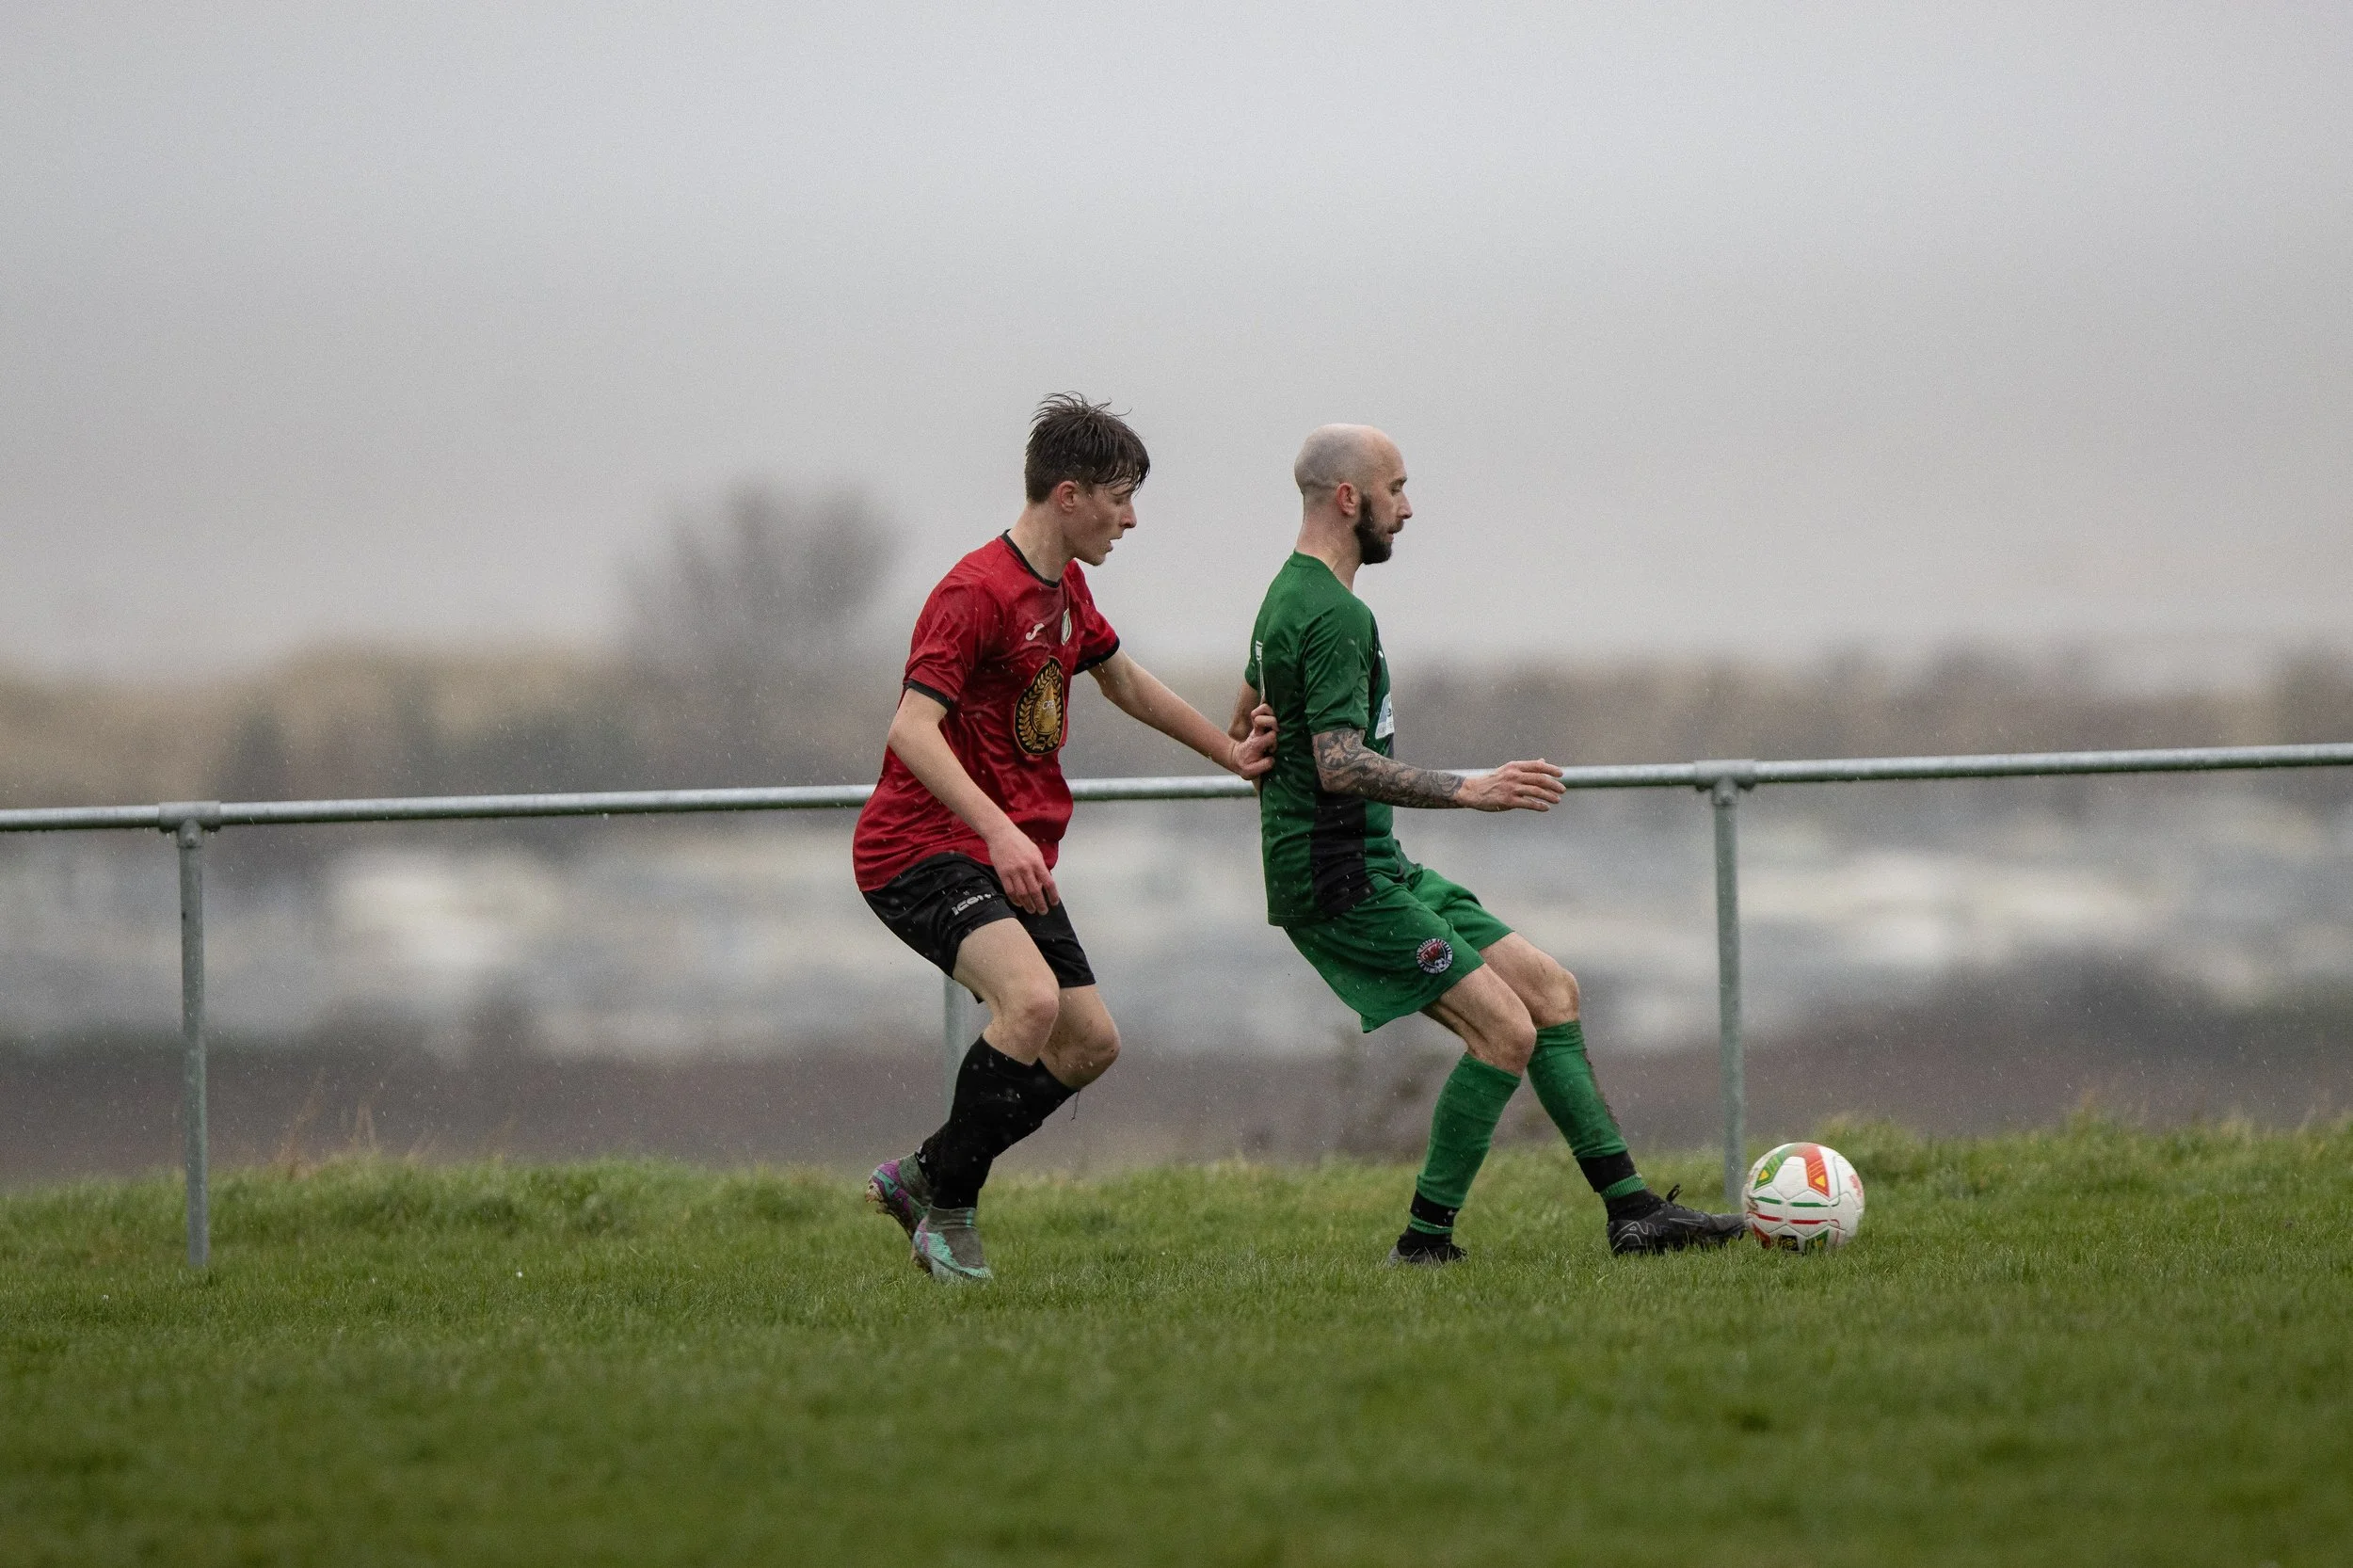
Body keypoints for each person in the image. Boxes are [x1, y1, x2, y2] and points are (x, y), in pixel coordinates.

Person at [1234, 424, 1742, 1263]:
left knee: (1550, 992)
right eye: (1396, 489)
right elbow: (1336, 764)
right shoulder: (1333, 614)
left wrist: (1251, 747)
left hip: (1379, 863)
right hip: (1338, 881)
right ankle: (1424, 1244)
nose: (1409, 508)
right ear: (1348, 499)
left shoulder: (1287, 593)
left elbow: (1245, 723)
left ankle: (1635, 1214)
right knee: (1505, 1034)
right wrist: (1467, 789)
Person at [856, 394, 1277, 1284]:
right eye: (1121, 498)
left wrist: (1231, 753)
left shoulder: (1065, 587)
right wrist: (1001, 831)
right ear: (1069, 494)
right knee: (1033, 1006)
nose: (1132, 518)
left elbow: (1122, 682)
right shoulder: (974, 593)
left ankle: (923, 1174)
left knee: (1089, 1044)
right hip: (918, 849)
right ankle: (949, 1216)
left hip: (1001, 853)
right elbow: (910, 732)